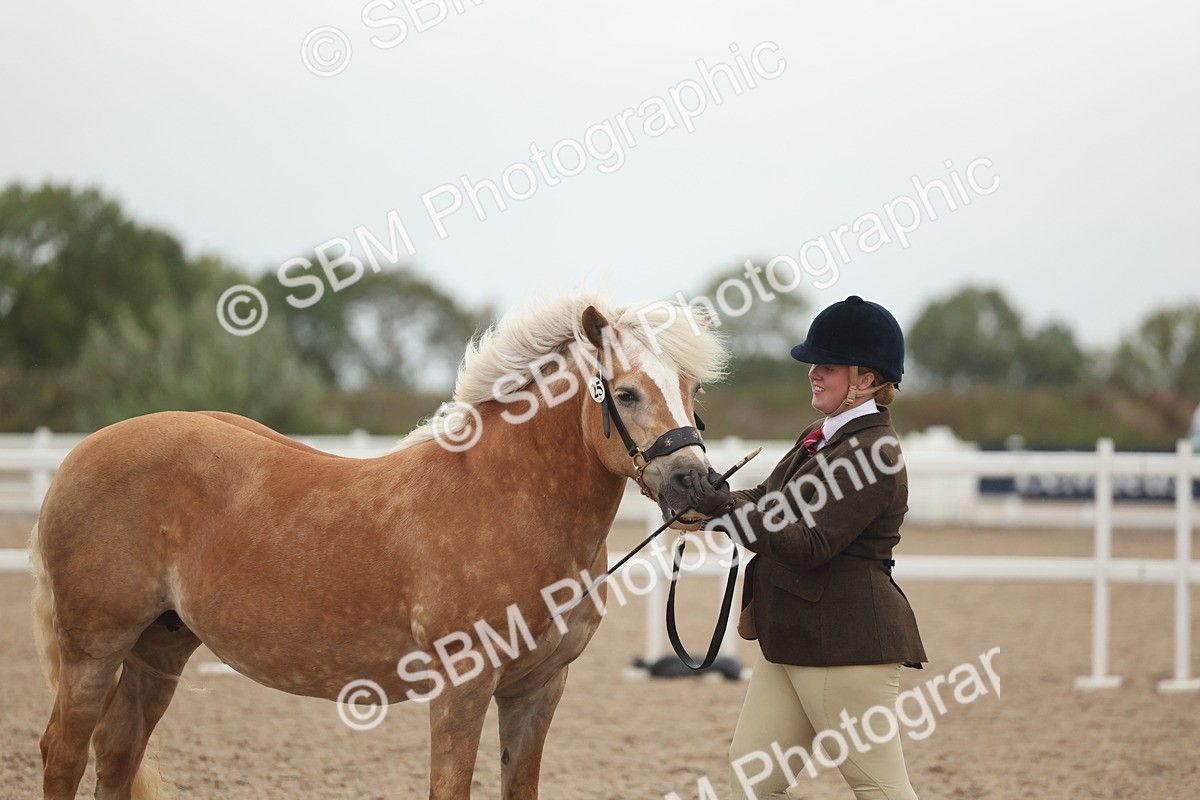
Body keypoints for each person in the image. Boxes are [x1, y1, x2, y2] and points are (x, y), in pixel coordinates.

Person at [683, 295, 925, 800]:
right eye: (814, 364)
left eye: (828, 366)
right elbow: (767, 500)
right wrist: (709, 503)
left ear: (866, 379)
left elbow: (810, 545)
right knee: (752, 779)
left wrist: (726, 512)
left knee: (879, 787)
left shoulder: (875, 452)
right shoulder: (821, 435)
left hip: (846, 641)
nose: (813, 373)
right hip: (791, 634)